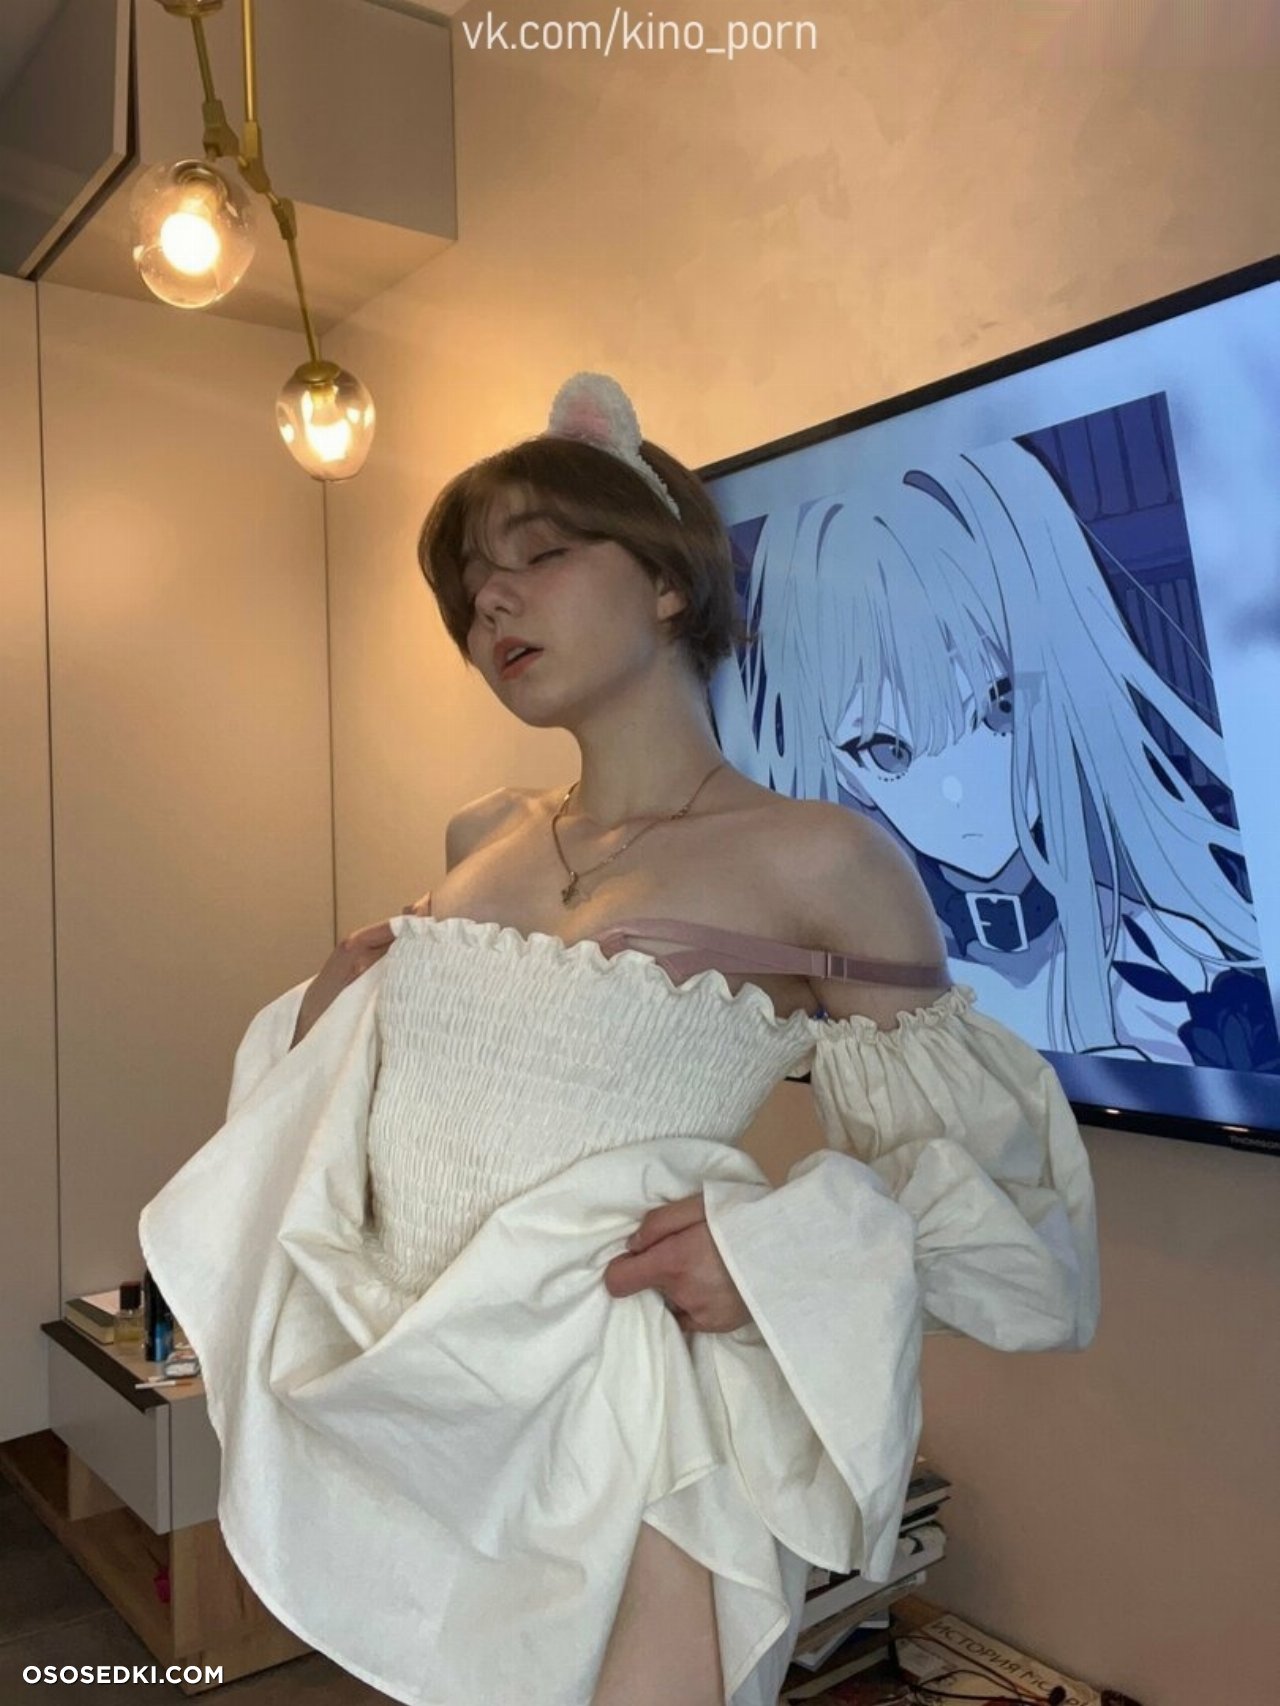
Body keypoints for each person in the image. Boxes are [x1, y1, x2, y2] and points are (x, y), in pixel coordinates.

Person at [139, 376, 1099, 1706]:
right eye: (470, 584)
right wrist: (332, 1017)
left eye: (538, 555)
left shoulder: (820, 859)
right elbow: (395, 1112)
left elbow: (1001, 1209)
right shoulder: (482, 835)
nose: (490, 602)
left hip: (632, 1434)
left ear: (664, 582)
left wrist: (774, 1248)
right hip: (418, 1396)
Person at [712, 443, 1277, 1064]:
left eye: (1000, 706)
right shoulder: (824, 1002)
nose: (956, 791)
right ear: (843, 767)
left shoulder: (1187, 971)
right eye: (886, 749)